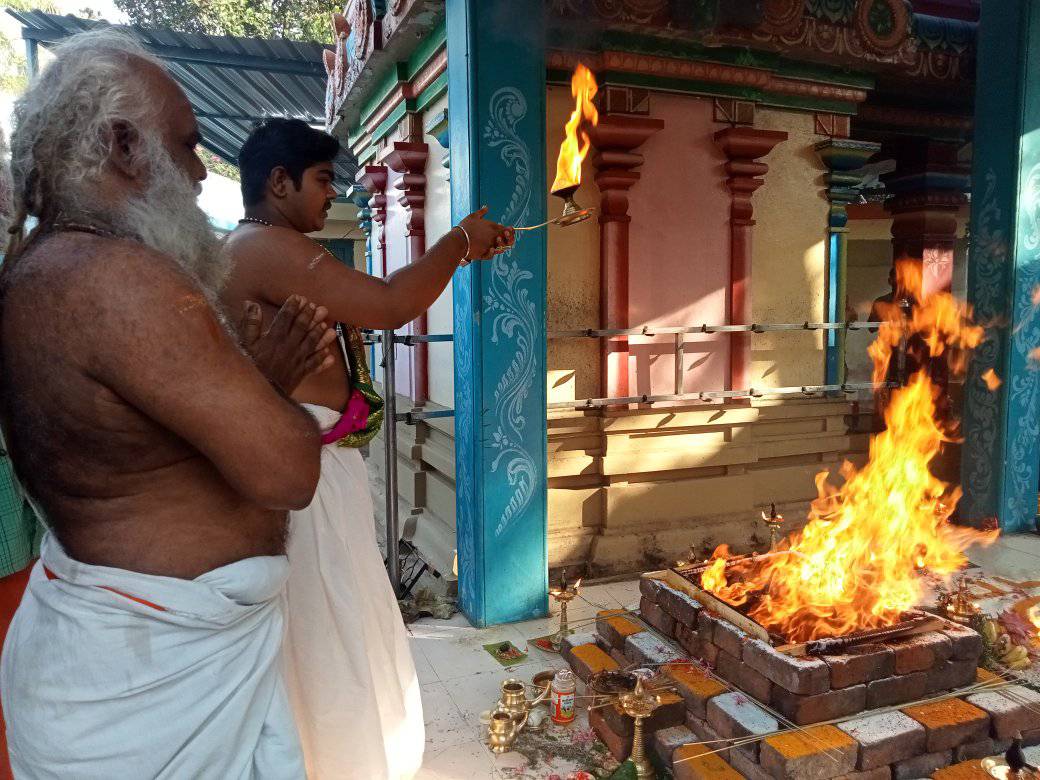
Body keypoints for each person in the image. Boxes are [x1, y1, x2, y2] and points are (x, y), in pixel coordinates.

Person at [0, 30, 338, 777]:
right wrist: (272, 389)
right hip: (145, 684)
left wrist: (253, 384)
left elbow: (147, 443)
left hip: (137, 666)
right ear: (123, 145)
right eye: (186, 146)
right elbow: (288, 473)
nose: (197, 173)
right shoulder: (114, 278)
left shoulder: (43, 263)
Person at [221, 118, 514, 779]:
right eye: (322, 180)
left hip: (314, 464)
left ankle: (351, 754)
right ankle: (343, 762)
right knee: (331, 623)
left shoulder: (263, 245)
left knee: (342, 609)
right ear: (278, 181)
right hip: (304, 471)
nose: (332, 196)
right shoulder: (265, 245)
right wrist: (458, 242)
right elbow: (386, 304)